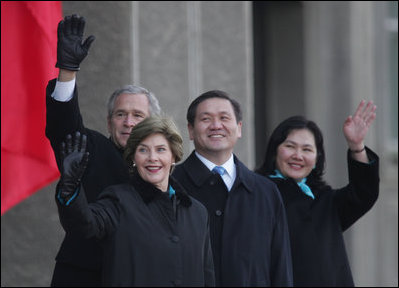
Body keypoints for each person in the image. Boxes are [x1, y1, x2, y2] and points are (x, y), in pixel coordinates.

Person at [45, 14, 161, 286]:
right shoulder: (92, 148)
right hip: (86, 275)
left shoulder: (165, 168)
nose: (129, 122)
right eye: (120, 114)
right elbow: (65, 128)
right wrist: (67, 71)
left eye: (137, 115)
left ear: (153, 122)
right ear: (109, 122)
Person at [55, 116, 215, 286]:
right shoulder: (117, 201)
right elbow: (84, 224)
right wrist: (70, 188)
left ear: (174, 156)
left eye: (161, 149)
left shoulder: (197, 212)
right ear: (133, 158)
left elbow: (207, 275)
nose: (152, 158)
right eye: (143, 150)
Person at [172, 90, 293, 286]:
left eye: (224, 118)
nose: (216, 125)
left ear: (239, 128)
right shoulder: (171, 185)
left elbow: (280, 266)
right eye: (206, 119)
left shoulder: (266, 192)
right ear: (191, 130)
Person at [255, 100, 379, 286]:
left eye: (307, 149)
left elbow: (364, 193)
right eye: (290, 146)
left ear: (316, 159)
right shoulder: (258, 193)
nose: (298, 155)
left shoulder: (325, 200)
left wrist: (357, 146)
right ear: (275, 151)